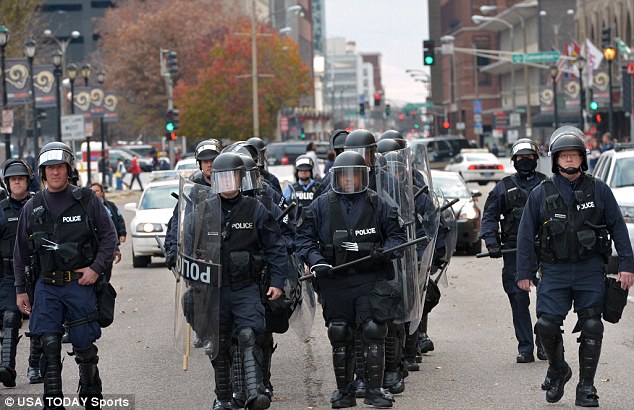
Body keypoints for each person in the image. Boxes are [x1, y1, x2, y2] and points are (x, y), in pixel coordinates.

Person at [515, 126, 634, 407]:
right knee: (545, 324)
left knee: (593, 325)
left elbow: (618, 227)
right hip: (554, 270)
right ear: (556, 160)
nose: (569, 161)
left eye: (574, 156)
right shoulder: (541, 193)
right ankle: (558, 369)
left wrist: (627, 265)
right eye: (564, 156)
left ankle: (586, 387)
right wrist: (524, 272)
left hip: (589, 268)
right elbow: (525, 233)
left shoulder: (599, 190)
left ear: (582, 159)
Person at [296, 151, 407, 409]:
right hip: (335, 279)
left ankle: (374, 390)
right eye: (343, 176)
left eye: (354, 175)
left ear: (363, 176)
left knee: (373, 330)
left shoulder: (378, 204)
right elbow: (302, 239)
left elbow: (398, 238)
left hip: (370, 278)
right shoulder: (320, 205)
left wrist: (383, 252)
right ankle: (344, 392)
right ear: (336, 177)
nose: (348, 180)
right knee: (340, 332)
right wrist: (316, 261)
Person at [13, 142, 118, 410]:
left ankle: (90, 387)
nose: (55, 173)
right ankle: (53, 401)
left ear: (68, 169)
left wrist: (96, 268)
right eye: (50, 168)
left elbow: (109, 237)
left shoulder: (86, 200)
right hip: (47, 286)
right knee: (48, 343)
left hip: (80, 284)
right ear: (42, 172)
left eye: (59, 167)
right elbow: (21, 252)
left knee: (83, 345)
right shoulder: (32, 206)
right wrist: (20, 289)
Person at [184, 152, 289, 410]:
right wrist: (196, 269)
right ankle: (223, 397)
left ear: (241, 179)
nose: (228, 182)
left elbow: (276, 247)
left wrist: (277, 282)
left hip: (246, 287)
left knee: (248, 333)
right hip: (213, 289)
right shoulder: (201, 211)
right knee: (218, 343)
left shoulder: (256, 209)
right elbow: (186, 249)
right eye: (223, 178)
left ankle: (255, 391)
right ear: (215, 181)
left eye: (233, 177)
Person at [479, 138, 547, 363]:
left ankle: (544, 341)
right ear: (514, 161)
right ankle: (525, 347)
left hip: (545, 252)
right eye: (521, 157)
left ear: (536, 160)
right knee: (518, 300)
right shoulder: (504, 187)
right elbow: (489, 215)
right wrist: (492, 242)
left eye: (529, 157)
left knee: (548, 299)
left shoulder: (547, 185)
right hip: (514, 252)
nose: (525, 161)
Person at [165, 139, 221, 350]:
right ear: (199, 164)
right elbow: (178, 222)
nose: (209, 164)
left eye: (213, 160)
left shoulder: (232, 183)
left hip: (225, 253)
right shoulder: (193, 189)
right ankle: (204, 332)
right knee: (193, 301)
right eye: (205, 161)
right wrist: (174, 251)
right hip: (200, 256)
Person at [0, 159, 34, 387]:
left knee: (44, 325)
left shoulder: (39, 204)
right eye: (13, 179)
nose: (17, 183)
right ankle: (7, 368)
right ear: (7, 183)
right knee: (11, 317)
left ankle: (37, 366)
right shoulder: (1, 210)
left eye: (21, 178)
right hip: (10, 275)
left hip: (40, 273)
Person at [90, 182, 125, 282]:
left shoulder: (109, 206)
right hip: (93, 250)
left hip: (108, 247)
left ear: (102, 193)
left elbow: (117, 222)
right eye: (92, 191)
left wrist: (122, 234)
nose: (94, 193)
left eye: (97, 191)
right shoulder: (86, 208)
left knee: (106, 274)